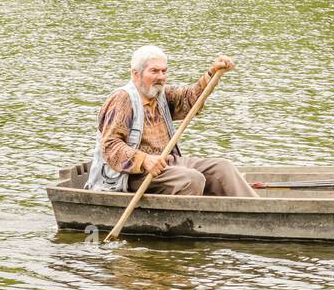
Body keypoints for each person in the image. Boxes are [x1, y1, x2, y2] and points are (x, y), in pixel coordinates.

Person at [83, 45, 257, 197]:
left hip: (166, 163)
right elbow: (110, 146)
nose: (161, 77)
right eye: (154, 71)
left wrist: (213, 73)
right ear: (136, 74)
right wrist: (144, 159)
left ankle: (259, 213)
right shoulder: (122, 100)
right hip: (132, 175)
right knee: (191, 180)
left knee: (222, 168)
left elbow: (190, 99)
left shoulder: (160, 94)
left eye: (164, 71)